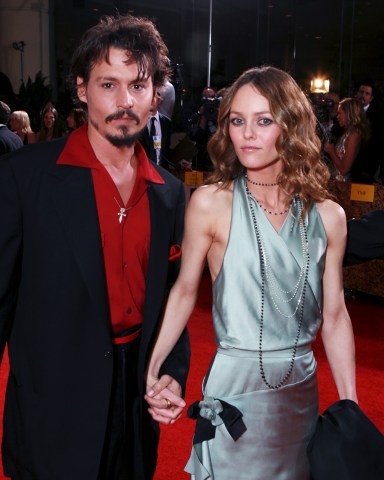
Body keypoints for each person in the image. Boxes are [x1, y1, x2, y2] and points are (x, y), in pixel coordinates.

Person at [0, 13, 190, 480]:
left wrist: (173, 372)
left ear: (154, 97)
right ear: (82, 90)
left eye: (138, 86)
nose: (124, 102)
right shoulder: (26, 177)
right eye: (109, 85)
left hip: (136, 401)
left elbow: (171, 302)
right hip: (52, 407)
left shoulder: (169, 192)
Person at [145, 66, 357, 479]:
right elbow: (185, 290)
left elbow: (334, 316)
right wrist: (153, 368)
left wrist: (349, 404)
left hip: (300, 392)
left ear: (291, 126)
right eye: (237, 121)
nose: (247, 134)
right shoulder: (210, 203)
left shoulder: (329, 216)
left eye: (263, 121)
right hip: (236, 388)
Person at [324, 97, 370, 181]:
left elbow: (344, 170)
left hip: (344, 186)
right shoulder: (347, 133)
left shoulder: (354, 135)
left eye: (340, 113)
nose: (338, 117)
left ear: (349, 114)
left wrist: (331, 151)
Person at [352, 81, 383, 183]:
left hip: (364, 169)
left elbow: (376, 145)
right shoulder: (349, 110)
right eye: (361, 92)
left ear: (371, 98)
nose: (363, 95)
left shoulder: (377, 117)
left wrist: (368, 170)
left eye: (367, 93)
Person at [139, 91, 172, 167]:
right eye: (148, 98)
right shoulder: (138, 122)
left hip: (161, 170)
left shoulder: (167, 122)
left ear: (159, 101)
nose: (151, 101)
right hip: (143, 169)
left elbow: (167, 148)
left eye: (153, 98)